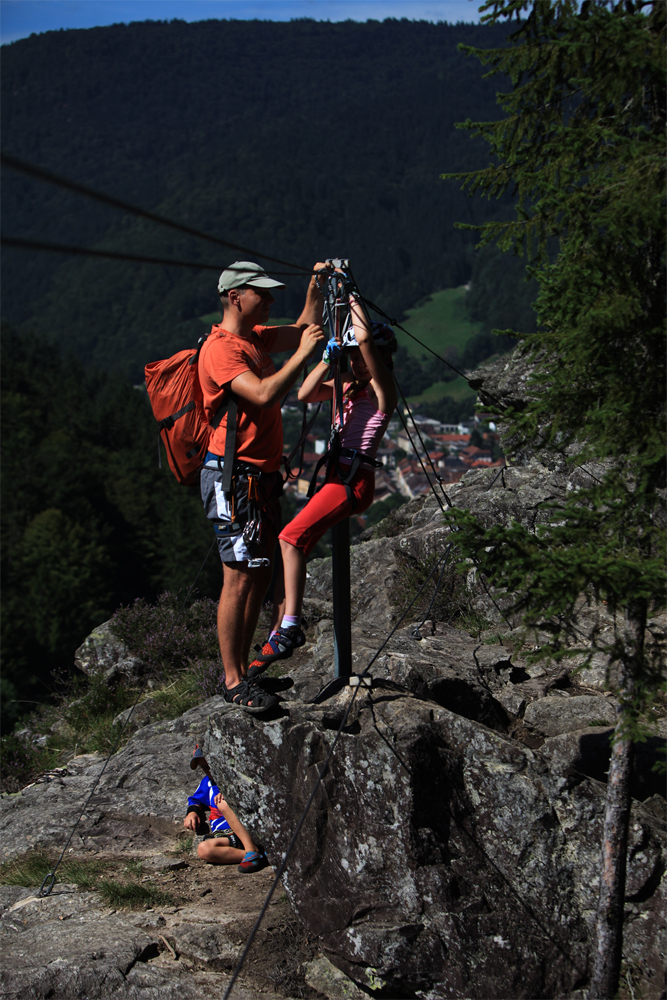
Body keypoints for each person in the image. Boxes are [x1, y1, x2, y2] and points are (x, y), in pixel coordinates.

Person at [247, 293, 397, 677]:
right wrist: (329, 361)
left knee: (289, 538)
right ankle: (286, 620)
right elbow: (303, 392)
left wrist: (354, 300)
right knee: (292, 541)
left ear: (378, 358)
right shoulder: (347, 387)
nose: (359, 362)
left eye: (364, 358)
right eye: (355, 358)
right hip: (339, 477)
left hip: (352, 481)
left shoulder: (384, 393)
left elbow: (364, 340)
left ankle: (290, 625)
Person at [199, 260, 326, 710]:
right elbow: (264, 393)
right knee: (238, 577)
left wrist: (316, 286)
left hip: (259, 479)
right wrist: (302, 356)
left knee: (256, 572)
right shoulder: (221, 350)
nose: (271, 301)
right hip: (233, 479)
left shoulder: (253, 338)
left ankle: (244, 675)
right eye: (263, 294)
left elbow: (304, 326)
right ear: (236, 296)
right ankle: (233, 683)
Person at [184, 746, 269, 872]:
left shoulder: (235, 777)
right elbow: (196, 800)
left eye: (210, 766)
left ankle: (252, 850)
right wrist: (192, 812)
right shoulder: (208, 783)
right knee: (203, 849)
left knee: (222, 803)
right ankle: (257, 855)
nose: (209, 771)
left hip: (244, 831)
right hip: (225, 837)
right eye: (205, 768)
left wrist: (229, 795)